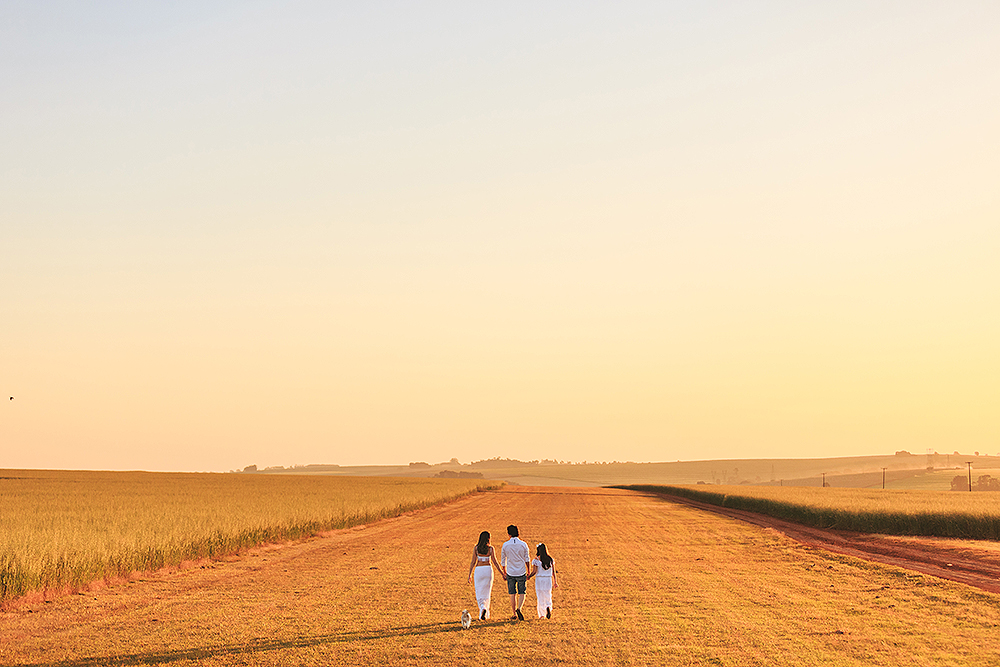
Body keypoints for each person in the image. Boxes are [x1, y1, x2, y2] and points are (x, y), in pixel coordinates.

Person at [467, 531, 504, 620]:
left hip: (479, 570)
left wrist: (469, 575)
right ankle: (486, 612)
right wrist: (502, 573)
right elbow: (495, 562)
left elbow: (473, 562)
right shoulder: (490, 549)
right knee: (487, 592)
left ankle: (482, 608)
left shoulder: (476, 548)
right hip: (488, 570)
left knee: (479, 591)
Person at [500, 524, 531, 620]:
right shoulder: (523, 544)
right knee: (522, 592)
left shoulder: (505, 545)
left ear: (509, 534)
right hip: (521, 571)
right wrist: (528, 570)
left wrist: (504, 572)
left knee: (512, 593)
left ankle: (514, 613)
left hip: (510, 571)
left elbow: (503, 560)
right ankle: (519, 608)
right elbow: (527, 559)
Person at [528, 542, 558, 619]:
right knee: (548, 595)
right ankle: (548, 607)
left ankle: (542, 614)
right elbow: (553, 572)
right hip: (548, 579)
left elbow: (534, 571)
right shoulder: (550, 559)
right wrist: (555, 581)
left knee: (540, 596)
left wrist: (529, 576)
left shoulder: (536, 560)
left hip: (539, 579)